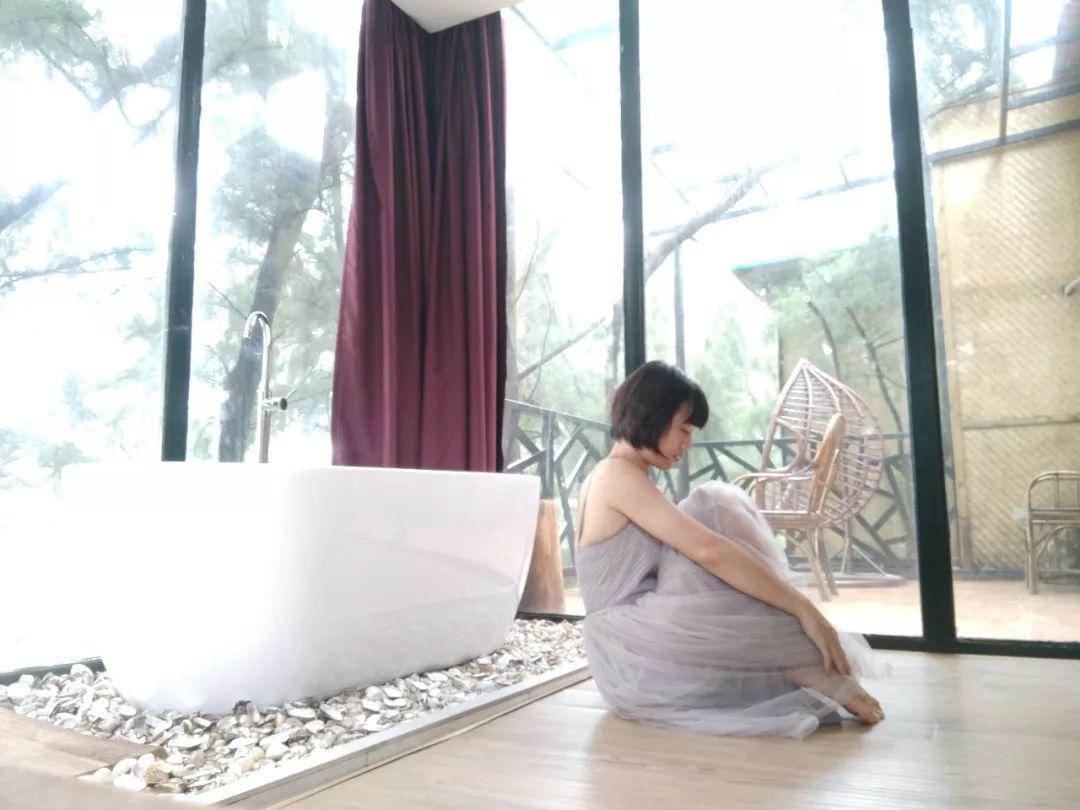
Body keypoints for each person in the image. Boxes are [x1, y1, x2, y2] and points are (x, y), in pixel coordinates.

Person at [575, 361, 886, 738]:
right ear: (651, 416)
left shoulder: (621, 474)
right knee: (712, 504)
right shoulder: (616, 476)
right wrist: (803, 609)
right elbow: (708, 551)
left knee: (713, 517)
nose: (688, 444)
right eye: (684, 430)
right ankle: (799, 661)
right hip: (630, 651)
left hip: (637, 641)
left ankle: (798, 661)